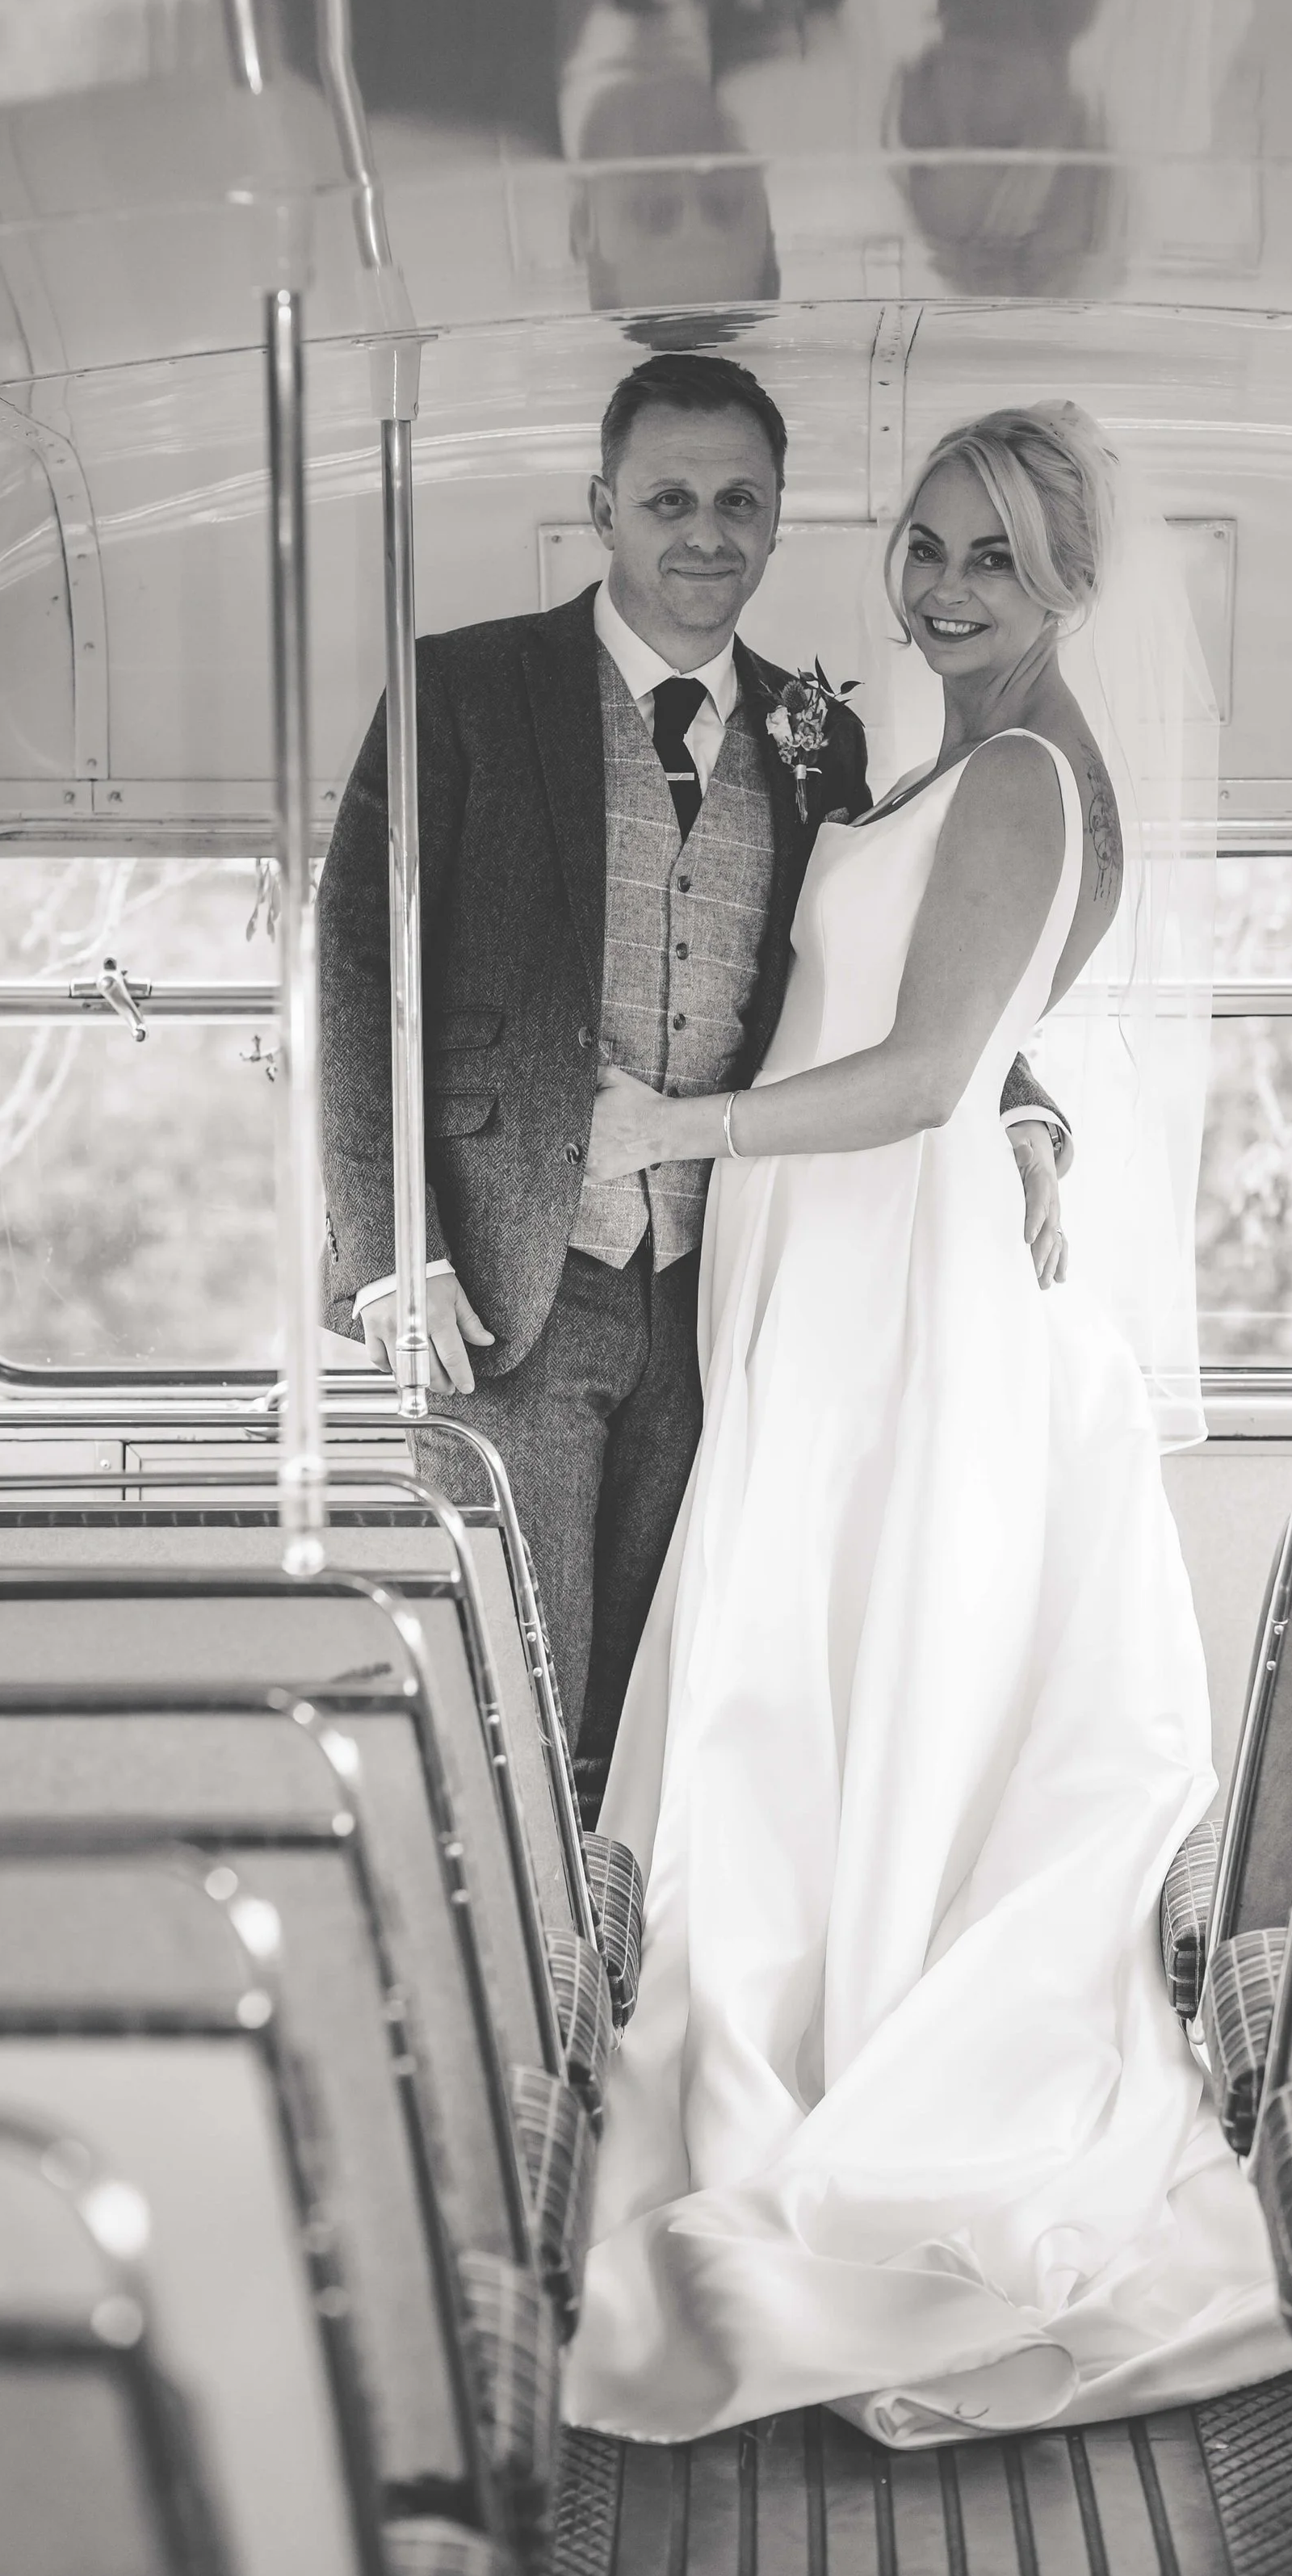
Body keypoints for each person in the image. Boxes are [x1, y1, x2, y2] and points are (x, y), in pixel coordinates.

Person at [565, 401, 1292, 2444]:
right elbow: (1011, 1051)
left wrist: (671, 1125)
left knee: (851, 1675)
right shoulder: (954, 760)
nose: (945, 586)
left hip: (906, 1298)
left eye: (992, 557)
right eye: (925, 543)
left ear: (1066, 582)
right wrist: (1036, 1108)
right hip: (848, 1280)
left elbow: (917, 1075)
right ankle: (787, 2024)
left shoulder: (1026, 777)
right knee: (813, 1674)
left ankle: (850, 2075)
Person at [317, 350, 1068, 1796]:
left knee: (670, 1679)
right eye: (670, 497)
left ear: (778, 518)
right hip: (500, 1265)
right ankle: (506, 1991)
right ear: (605, 505)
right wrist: (388, 1254)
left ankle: (618, 1977)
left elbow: (902, 955)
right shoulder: (461, 688)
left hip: (728, 1275)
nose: (705, 531)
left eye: (740, 500)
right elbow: (357, 971)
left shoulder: (816, 729)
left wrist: (1017, 1101)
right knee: (501, 1667)